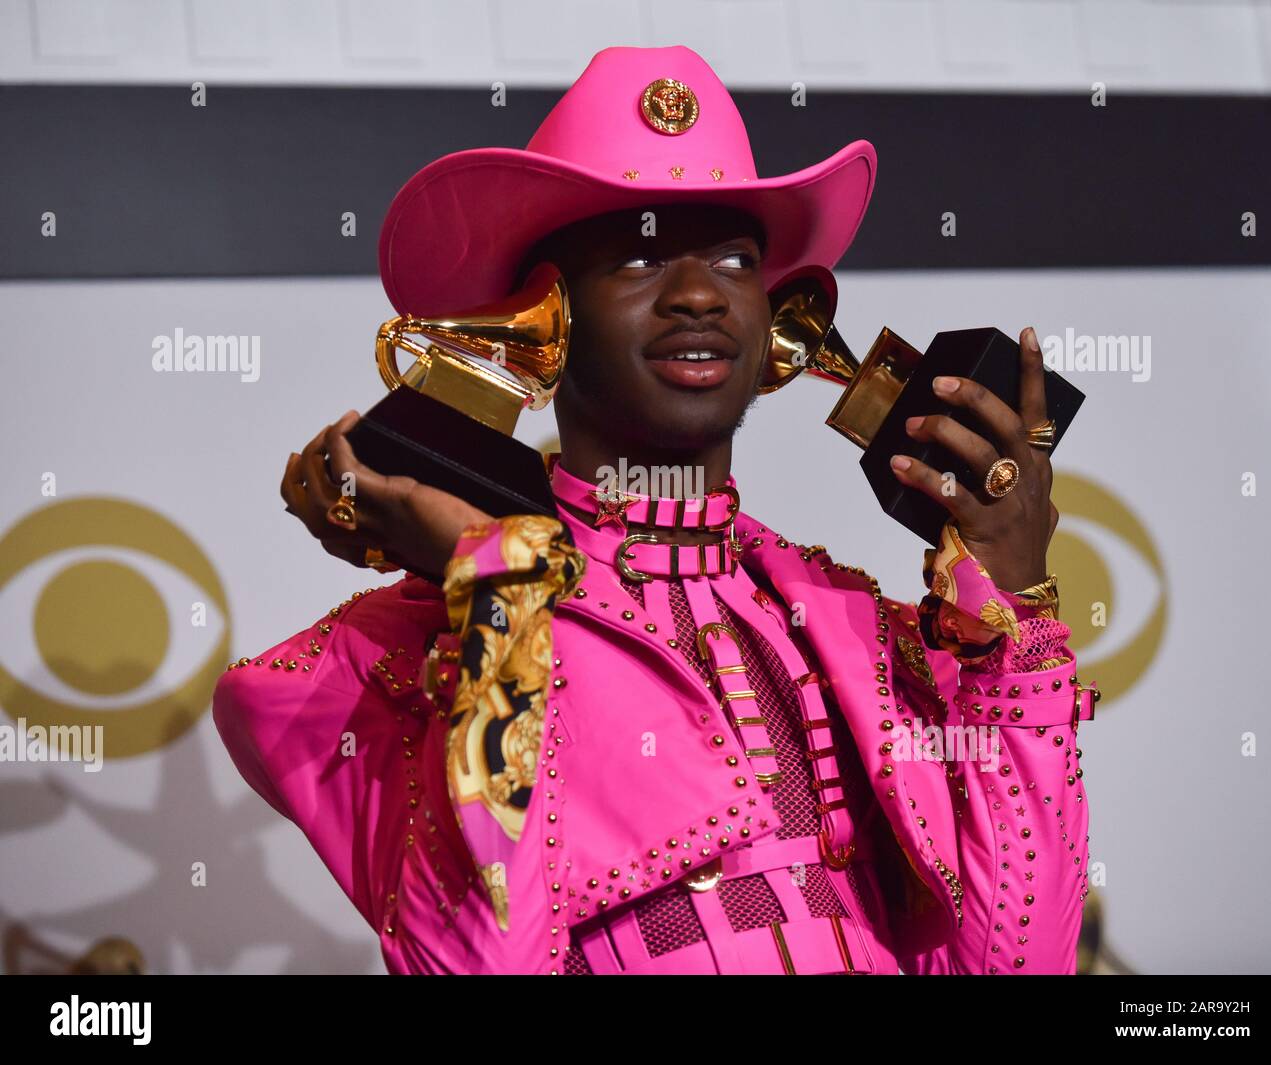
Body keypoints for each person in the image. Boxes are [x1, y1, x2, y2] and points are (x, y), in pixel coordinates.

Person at [212, 44, 1096, 975]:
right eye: (638, 256)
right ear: (540, 324)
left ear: (775, 329)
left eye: (731, 256)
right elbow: (478, 961)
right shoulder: (403, 647)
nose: (697, 293)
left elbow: (1017, 968)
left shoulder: (863, 632)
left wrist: (1013, 615)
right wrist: (498, 595)